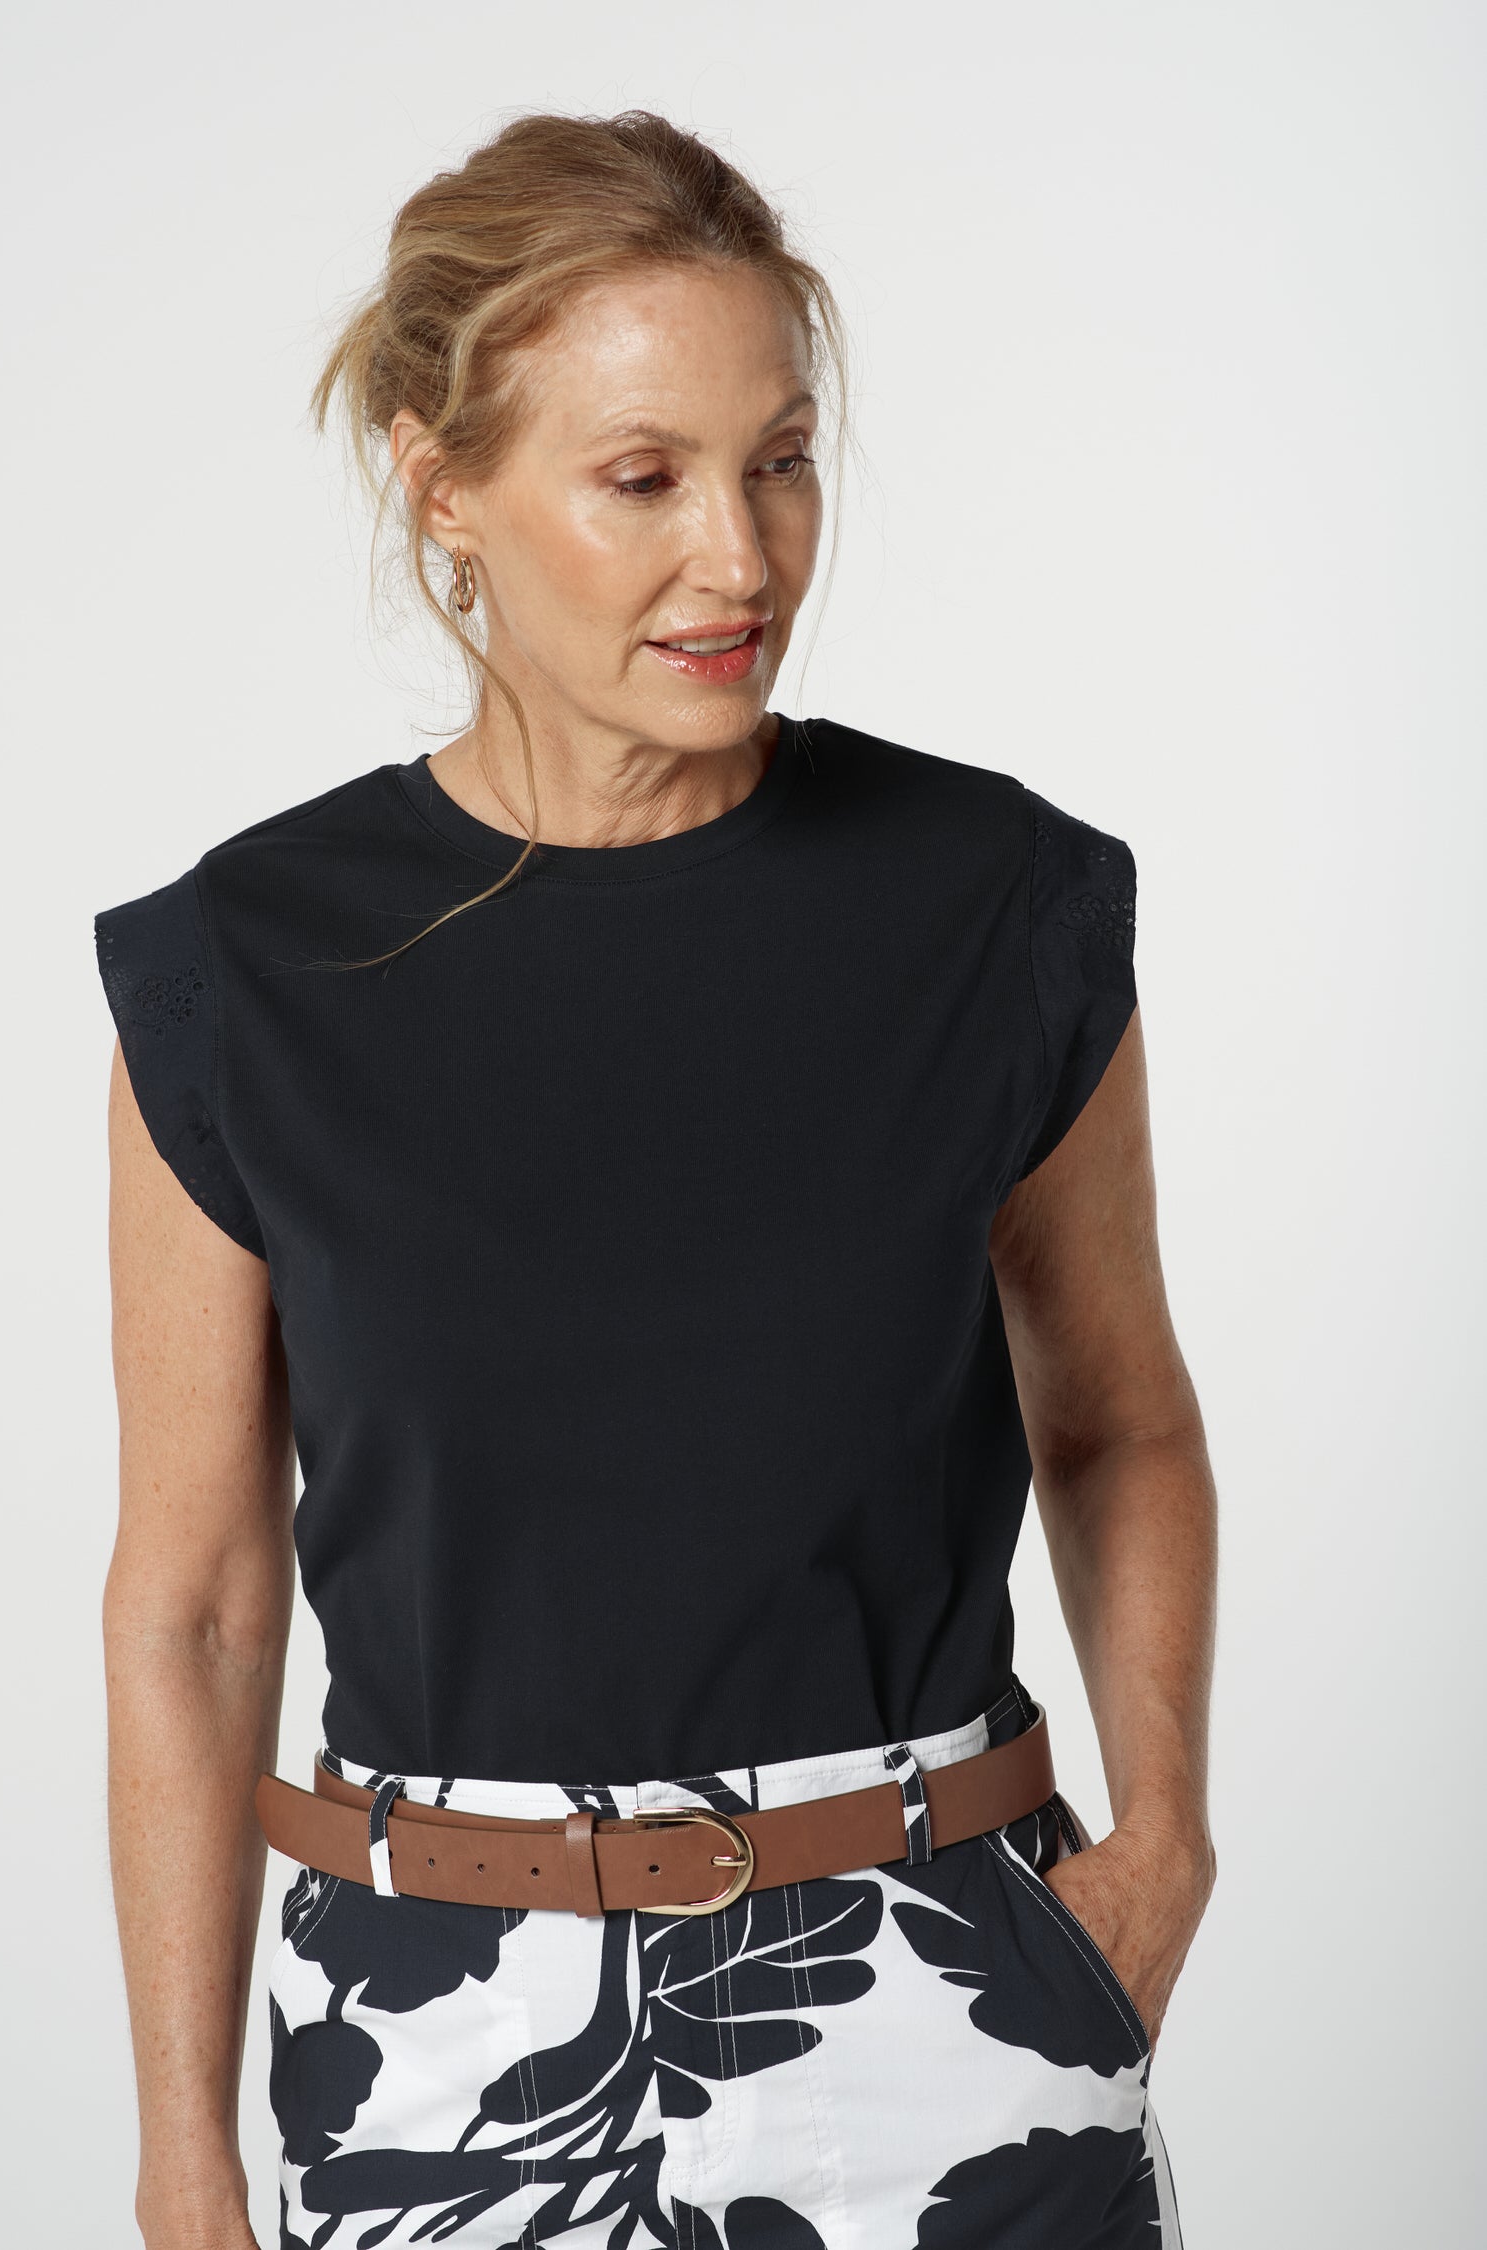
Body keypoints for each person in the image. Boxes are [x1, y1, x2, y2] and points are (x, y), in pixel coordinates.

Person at [94, 109, 1217, 2250]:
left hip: (948, 1997)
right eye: (645, 479)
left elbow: (1119, 1417)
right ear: (445, 488)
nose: (742, 557)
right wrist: (183, 2157)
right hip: (441, 2048)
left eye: (779, 461)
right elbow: (196, 1606)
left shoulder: (994, 905)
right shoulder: (243, 971)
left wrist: (1160, 1843)